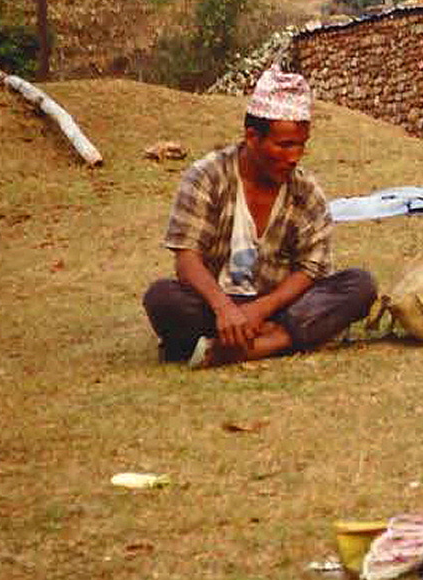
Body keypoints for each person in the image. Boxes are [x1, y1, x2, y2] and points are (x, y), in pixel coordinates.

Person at [142, 66, 377, 367]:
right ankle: (279, 338)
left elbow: (311, 269)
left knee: (359, 286)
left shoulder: (306, 192)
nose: (295, 157)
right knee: (162, 299)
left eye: (301, 145)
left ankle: (244, 347)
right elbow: (186, 258)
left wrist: (260, 311)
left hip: (279, 304)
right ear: (252, 137)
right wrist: (225, 309)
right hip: (216, 305)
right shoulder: (206, 177)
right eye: (284, 145)